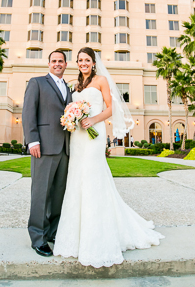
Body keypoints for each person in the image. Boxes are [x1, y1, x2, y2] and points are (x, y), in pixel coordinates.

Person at [53, 47, 163, 268]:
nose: (83, 63)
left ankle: (96, 237)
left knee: (94, 179)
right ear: (77, 63)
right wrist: (72, 119)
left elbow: (112, 108)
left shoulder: (102, 80)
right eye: (80, 60)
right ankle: (75, 237)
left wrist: (93, 120)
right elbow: (72, 107)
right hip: (78, 137)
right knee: (77, 179)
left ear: (93, 62)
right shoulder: (76, 86)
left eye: (87, 60)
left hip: (94, 135)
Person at [22, 50, 72, 257]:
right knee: (41, 193)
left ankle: (52, 232)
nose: (57, 64)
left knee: (58, 194)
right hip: (42, 147)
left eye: (61, 61)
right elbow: (28, 112)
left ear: (65, 64)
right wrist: (32, 140)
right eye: (54, 61)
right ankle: (38, 238)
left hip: (64, 149)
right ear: (48, 63)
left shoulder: (68, 87)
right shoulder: (36, 83)